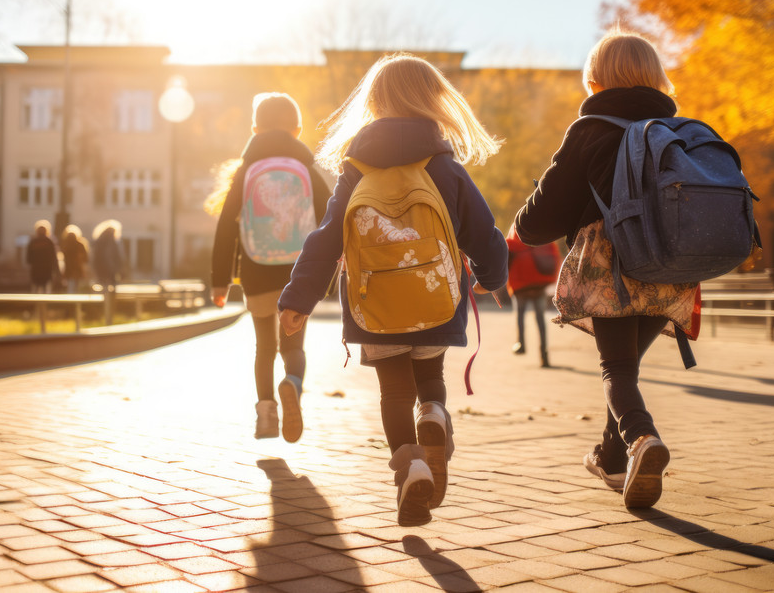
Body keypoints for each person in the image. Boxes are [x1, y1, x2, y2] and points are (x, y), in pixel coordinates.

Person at [278, 53, 508, 527]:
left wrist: (298, 298)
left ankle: (411, 467)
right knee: (429, 377)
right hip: (436, 297)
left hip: (374, 303)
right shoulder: (445, 167)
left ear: (375, 102)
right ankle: (436, 415)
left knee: (392, 393)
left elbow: (326, 238)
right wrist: (492, 276)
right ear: (433, 100)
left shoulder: (355, 169)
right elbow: (483, 232)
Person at [512, 29, 697, 509]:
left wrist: (522, 218)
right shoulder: (679, 130)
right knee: (626, 368)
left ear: (594, 79)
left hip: (612, 267)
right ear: (656, 77)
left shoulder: (590, 130)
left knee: (615, 367)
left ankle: (641, 439)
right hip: (674, 270)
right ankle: (614, 462)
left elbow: (539, 222)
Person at [207, 93, 330, 443]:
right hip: (299, 274)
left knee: (264, 347)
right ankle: (292, 383)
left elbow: (227, 227)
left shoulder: (246, 172)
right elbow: (330, 217)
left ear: (255, 129)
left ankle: (265, 413)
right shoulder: (306, 170)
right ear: (298, 129)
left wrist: (219, 281)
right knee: (293, 346)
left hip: (256, 272)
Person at [505, 224, 561, 368]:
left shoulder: (513, 238)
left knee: (520, 316)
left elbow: (504, 261)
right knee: (540, 320)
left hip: (520, 285)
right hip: (538, 284)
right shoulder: (541, 236)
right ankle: (544, 355)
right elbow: (554, 255)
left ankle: (521, 344)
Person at [92, 220, 126, 324]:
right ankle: (109, 315)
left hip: (102, 272)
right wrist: (119, 269)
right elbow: (117, 257)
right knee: (111, 293)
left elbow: (95, 259)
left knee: (104, 293)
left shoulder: (99, 241)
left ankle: (104, 314)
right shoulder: (113, 241)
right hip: (110, 271)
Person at [25, 221, 60, 293]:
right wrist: (56, 269)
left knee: (35, 288)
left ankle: (35, 303)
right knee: (45, 289)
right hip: (46, 270)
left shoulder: (33, 242)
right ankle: (44, 303)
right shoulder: (49, 242)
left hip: (36, 270)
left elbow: (29, 258)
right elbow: (53, 257)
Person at [60, 224, 90, 293]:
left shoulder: (65, 245)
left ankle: (70, 301)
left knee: (70, 287)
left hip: (69, 269)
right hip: (78, 269)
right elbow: (85, 259)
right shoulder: (80, 245)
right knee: (77, 287)